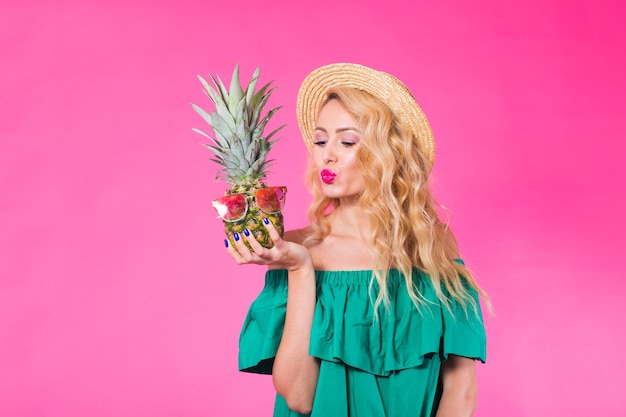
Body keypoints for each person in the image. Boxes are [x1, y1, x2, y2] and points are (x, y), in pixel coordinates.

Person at [224, 63, 488, 417]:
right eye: (320, 140)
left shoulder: (433, 246)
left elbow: (461, 388)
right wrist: (300, 267)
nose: (326, 154)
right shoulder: (297, 248)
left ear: (389, 153)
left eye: (347, 140)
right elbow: (300, 397)